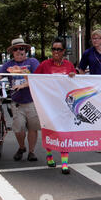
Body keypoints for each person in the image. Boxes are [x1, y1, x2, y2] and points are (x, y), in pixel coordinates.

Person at [0, 37, 40, 161]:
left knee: (33, 128)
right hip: (17, 102)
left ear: (26, 50)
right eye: (16, 49)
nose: (19, 51)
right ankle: (22, 147)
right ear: (12, 52)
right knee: (18, 128)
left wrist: (24, 85)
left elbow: (38, 78)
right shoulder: (9, 65)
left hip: (32, 101)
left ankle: (32, 152)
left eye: (22, 49)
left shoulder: (33, 62)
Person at [34, 38, 76, 174]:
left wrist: (73, 76)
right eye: (53, 49)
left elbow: (75, 82)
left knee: (64, 131)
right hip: (48, 104)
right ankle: (50, 155)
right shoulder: (45, 64)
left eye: (59, 49)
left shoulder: (69, 65)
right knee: (50, 130)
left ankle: (65, 163)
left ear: (64, 51)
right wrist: (22, 85)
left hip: (64, 104)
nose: (56, 52)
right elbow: (35, 80)